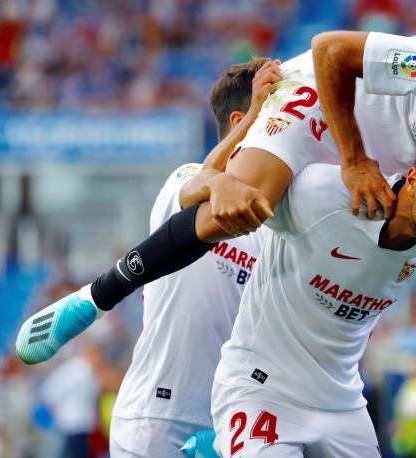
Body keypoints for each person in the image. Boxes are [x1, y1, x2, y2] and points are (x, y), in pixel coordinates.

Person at [15, 28, 416, 365]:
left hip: (394, 159)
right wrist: (354, 159)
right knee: (238, 208)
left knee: (357, 265)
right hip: (324, 100)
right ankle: (94, 297)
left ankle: (243, 417)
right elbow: (333, 50)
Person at [211, 128, 416, 456]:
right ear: (413, 180)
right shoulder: (324, 195)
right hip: (262, 389)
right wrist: (208, 179)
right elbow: (234, 188)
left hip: (343, 404)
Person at [106, 59, 280, 457]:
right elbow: (201, 186)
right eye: (277, 118)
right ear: (240, 121)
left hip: (231, 427)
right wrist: (257, 115)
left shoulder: (275, 224)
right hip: (156, 419)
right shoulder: (185, 178)